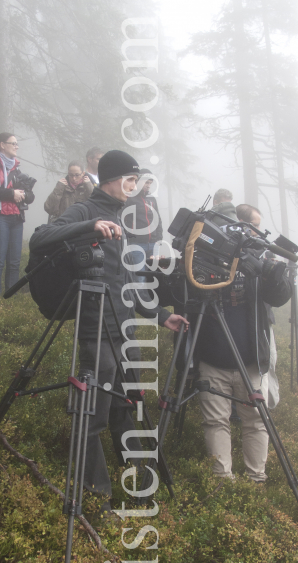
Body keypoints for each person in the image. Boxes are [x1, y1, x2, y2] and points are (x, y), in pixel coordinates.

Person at [30, 149, 188, 509]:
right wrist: (90, 226)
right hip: (96, 328)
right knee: (93, 413)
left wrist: (162, 315)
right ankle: (95, 491)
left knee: (125, 407)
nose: (134, 188)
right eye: (130, 181)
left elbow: (129, 281)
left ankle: (133, 482)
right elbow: (41, 236)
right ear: (112, 180)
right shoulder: (87, 209)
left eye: (136, 182)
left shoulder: (124, 218)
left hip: (124, 328)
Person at [195, 221, 292, 482]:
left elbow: (280, 297)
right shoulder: (201, 260)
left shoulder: (256, 264)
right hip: (211, 358)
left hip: (251, 361)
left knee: (256, 421)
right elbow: (183, 298)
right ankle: (222, 479)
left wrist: (273, 270)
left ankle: (256, 478)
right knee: (215, 422)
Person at [0, 133, 36, 296]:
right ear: (2, 145)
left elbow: (30, 197)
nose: (17, 146)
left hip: (16, 219)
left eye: (17, 144)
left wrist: (24, 195)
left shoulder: (16, 169)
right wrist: (11, 193)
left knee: (14, 262)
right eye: (13, 143)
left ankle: (10, 299)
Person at [236, 203, 280, 409]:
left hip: (263, 316)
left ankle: (268, 405)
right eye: (255, 225)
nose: (258, 231)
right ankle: (249, 406)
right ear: (241, 223)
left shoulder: (262, 249)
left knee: (270, 361)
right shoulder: (236, 250)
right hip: (245, 319)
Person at [124, 169, 164, 266]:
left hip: (154, 245)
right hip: (137, 245)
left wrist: (159, 239)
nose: (148, 185)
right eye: (146, 182)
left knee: (153, 274)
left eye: (150, 183)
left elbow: (157, 219)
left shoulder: (151, 198)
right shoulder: (129, 198)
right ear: (137, 180)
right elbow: (123, 220)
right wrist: (130, 238)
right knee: (140, 278)